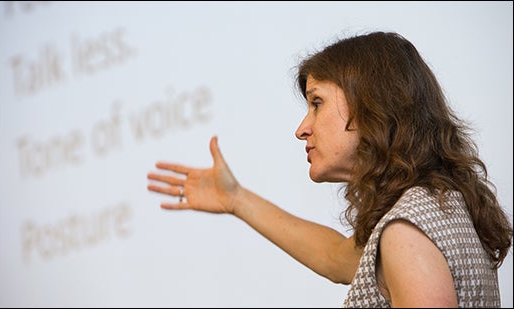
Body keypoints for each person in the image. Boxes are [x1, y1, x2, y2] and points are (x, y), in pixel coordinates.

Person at [147, 31, 513, 308]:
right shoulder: (434, 204)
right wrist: (236, 199)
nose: (302, 128)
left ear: (373, 106)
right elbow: (338, 258)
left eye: (317, 103)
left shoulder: (407, 230)